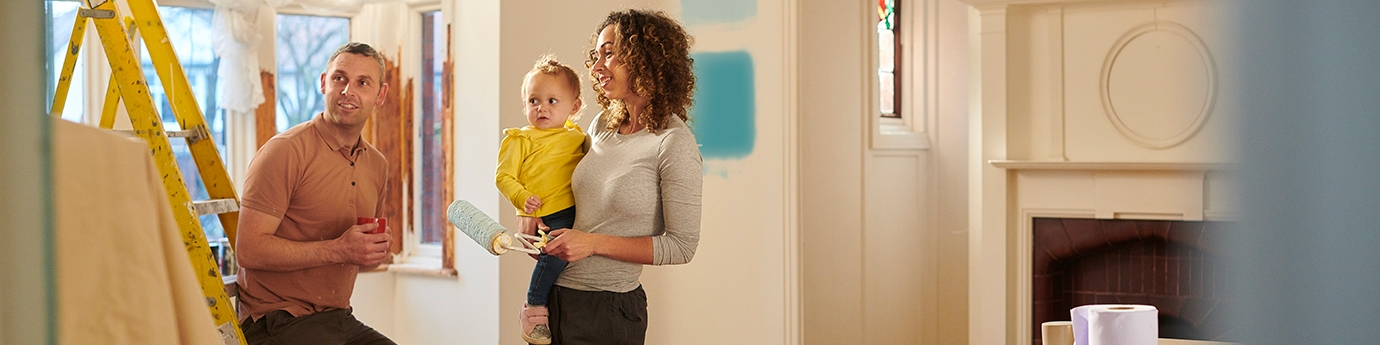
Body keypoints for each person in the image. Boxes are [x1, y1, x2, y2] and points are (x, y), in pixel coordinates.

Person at [533, 9, 703, 345]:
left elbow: (682, 246)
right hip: (554, 299)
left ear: (646, 57)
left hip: (608, 311)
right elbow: (570, 194)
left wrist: (591, 244)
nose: (596, 68)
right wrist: (535, 217)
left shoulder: (673, 143)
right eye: (596, 56)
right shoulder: (601, 126)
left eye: (609, 54)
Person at [234, 42, 395, 345]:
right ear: (324, 83)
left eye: (363, 83)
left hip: (336, 317)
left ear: (380, 95)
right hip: (275, 321)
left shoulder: (376, 164)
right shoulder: (284, 151)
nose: (348, 90)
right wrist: (339, 249)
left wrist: (372, 252)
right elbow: (248, 250)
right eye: (339, 78)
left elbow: (362, 259)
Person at [495, 54, 587, 345]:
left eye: (552, 101)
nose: (542, 108)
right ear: (524, 105)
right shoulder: (519, 139)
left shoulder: (578, 137)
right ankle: (534, 307)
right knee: (553, 260)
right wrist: (523, 200)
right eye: (533, 101)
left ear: (575, 106)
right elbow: (503, 177)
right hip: (549, 215)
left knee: (565, 262)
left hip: (579, 212)